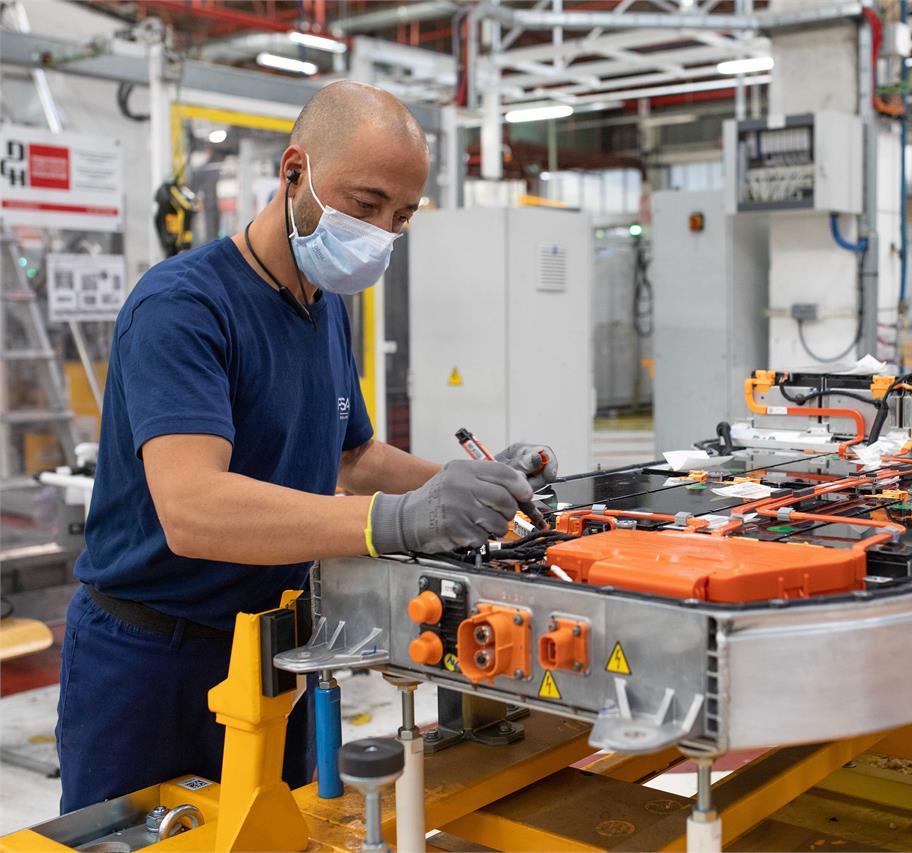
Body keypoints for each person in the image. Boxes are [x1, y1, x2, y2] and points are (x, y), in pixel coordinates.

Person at [56, 81, 558, 812]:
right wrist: (395, 519)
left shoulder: (323, 309)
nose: (382, 231)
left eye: (402, 216)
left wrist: (481, 483)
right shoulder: (184, 307)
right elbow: (193, 507)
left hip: (274, 651)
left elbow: (354, 455)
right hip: (150, 663)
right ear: (295, 172)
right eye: (365, 203)